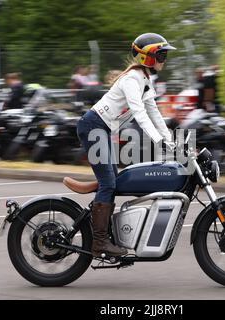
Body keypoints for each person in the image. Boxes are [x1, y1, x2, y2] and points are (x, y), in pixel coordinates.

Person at [76, 33, 176, 257]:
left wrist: (171, 142)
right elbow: (140, 114)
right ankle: (99, 242)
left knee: (113, 182)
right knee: (109, 183)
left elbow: (154, 114)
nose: (164, 59)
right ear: (146, 57)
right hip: (93, 126)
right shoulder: (132, 79)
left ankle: (102, 233)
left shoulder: (144, 80)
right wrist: (160, 142)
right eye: (161, 54)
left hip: (101, 129)